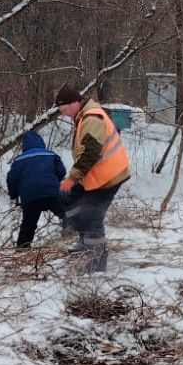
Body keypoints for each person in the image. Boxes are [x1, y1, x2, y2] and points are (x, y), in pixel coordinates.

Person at [55, 82, 131, 273]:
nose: (63, 113)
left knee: (92, 215)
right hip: (95, 174)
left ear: (74, 103)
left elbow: (90, 153)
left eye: (64, 109)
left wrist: (72, 178)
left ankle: (97, 261)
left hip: (108, 176)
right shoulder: (84, 115)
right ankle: (84, 242)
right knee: (70, 200)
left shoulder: (92, 118)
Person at [6, 129, 68, 248]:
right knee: (65, 212)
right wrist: (55, 181)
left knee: (28, 224)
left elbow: (11, 179)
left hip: (30, 197)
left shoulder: (19, 160)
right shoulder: (51, 154)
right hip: (51, 192)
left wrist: (14, 196)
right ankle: (71, 231)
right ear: (41, 142)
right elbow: (61, 171)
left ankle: (23, 248)